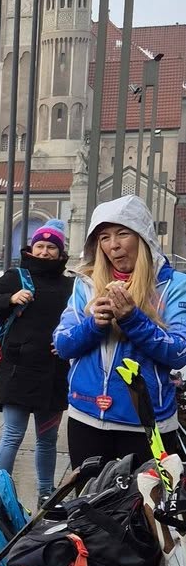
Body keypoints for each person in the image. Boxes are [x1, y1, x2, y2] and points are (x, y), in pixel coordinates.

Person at [53, 194, 186, 471]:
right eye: (104, 237)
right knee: (90, 507)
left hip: (147, 423)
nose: (113, 246)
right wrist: (94, 324)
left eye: (122, 234)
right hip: (86, 416)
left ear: (143, 236)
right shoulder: (86, 283)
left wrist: (132, 318)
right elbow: (63, 344)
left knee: (142, 511)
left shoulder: (174, 285)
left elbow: (178, 352)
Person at [0, 222, 73, 501]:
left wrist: (70, 343)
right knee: (12, 434)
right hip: (18, 372)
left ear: (60, 253)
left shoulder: (71, 284)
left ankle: (45, 492)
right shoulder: (16, 276)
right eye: (40, 246)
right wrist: (10, 298)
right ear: (32, 248)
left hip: (54, 374)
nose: (45, 252)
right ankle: (2, 491)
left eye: (51, 248)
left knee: (47, 440)